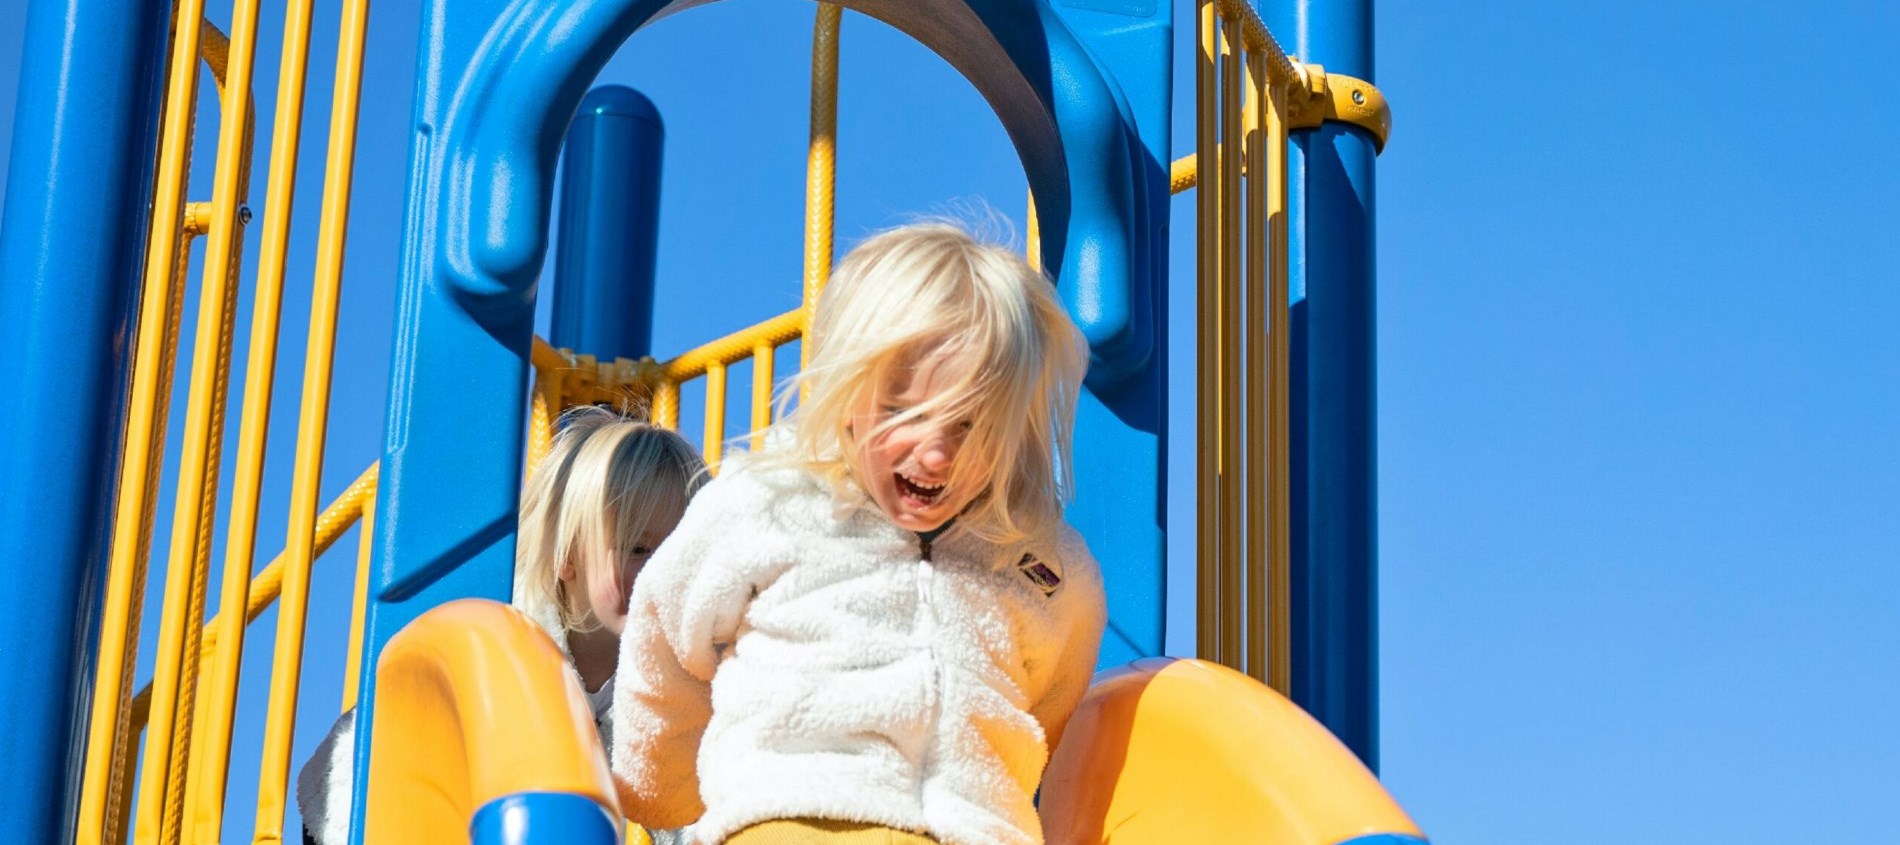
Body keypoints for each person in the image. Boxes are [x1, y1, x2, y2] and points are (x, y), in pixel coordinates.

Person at [612, 222, 1107, 845]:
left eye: (968, 425)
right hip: (791, 815)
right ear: (848, 393)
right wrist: (660, 788)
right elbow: (664, 633)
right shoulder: (770, 505)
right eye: (902, 411)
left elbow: (1053, 702)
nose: (935, 455)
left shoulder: (1041, 562)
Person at [297, 407, 705, 845]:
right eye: (638, 547)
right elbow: (379, 763)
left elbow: (690, 802)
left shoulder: (672, 683)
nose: (661, 570)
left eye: (681, 551)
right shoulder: (507, 645)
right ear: (566, 556)